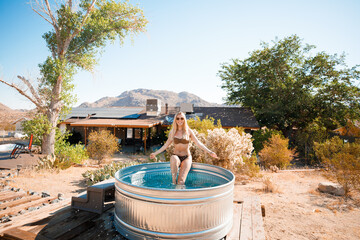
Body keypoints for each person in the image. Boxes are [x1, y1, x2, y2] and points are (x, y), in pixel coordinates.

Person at [150, 112, 218, 185]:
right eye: (178, 118)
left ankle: (181, 194)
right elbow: (165, 145)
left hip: (186, 157)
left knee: (181, 181)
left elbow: (198, 143)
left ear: (184, 119)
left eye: (182, 118)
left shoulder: (188, 131)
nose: (180, 120)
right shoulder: (172, 132)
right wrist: (155, 153)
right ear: (175, 120)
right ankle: (173, 186)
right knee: (174, 161)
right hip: (176, 156)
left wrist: (210, 152)